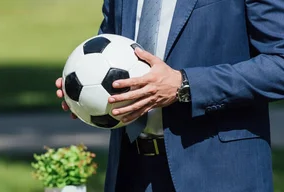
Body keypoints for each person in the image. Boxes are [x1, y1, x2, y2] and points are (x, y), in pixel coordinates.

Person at [55, 0, 284, 191]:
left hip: (219, 172)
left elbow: (279, 64)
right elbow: (111, 50)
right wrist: (83, 94)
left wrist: (184, 84)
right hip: (131, 173)